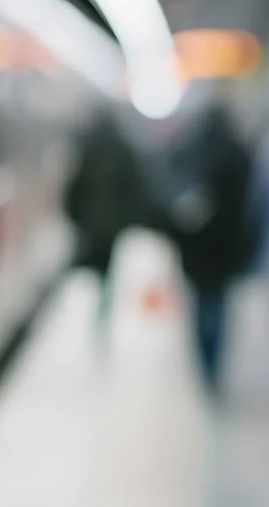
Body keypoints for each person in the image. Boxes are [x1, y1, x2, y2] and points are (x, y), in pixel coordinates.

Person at [157, 100, 256, 398]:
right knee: (219, 307)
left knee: (201, 306)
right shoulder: (238, 151)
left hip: (196, 249)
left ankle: (204, 364)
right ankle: (214, 363)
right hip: (225, 249)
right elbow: (251, 204)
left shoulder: (190, 150)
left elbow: (169, 194)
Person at [64, 108, 146, 342]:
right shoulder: (125, 151)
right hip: (114, 227)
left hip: (91, 225)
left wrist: (76, 218)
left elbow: (75, 190)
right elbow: (135, 190)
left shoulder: (88, 152)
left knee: (93, 267)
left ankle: (96, 311)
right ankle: (103, 310)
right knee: (108, 270)